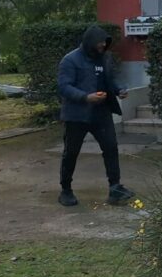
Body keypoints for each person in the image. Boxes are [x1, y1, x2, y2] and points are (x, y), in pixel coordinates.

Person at [57, 25, 135, 207]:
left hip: (101, 113)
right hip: (76, 115)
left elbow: (111, 79)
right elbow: (64, 87)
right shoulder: (70, 60)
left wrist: (119, 90)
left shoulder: (105, 58)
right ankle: (66, 190)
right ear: (89, 42)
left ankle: (115, 188)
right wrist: (85, 97)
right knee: (71, 152)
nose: (102, 46)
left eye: (105, 43)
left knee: (111, 148)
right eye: (99, 43)